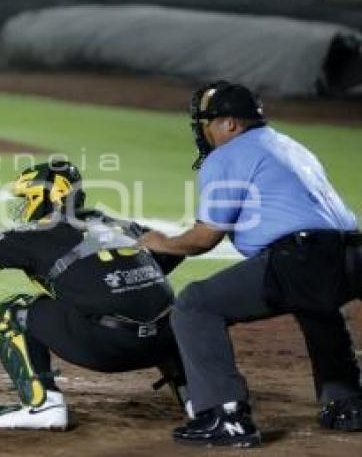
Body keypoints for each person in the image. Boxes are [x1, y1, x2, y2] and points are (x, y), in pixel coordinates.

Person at [0, 160, 189, 430]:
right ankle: (196, 397)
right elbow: (172, 254)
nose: (23, 207)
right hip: (165, 342)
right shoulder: (120, 224)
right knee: (161, 308)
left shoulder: (38, 236)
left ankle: (43, 406)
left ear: (45, 196)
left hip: (109, 348)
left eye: (27, 197)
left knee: (13, 311)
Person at [140, 81, 362, 448]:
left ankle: (224, 415)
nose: (202, 130)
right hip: (351, 254)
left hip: (304, 256)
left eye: (205, 122)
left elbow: (203, 238)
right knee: (316, 305)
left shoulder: (229, 155)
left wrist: (160, 242)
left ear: (229, 124)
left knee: (196, 305)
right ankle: (346, 401)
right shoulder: (289, 145)